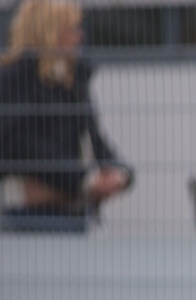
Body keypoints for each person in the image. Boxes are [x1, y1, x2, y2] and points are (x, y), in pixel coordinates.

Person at [0, 0, 132, 233]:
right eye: (72, 29)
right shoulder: (14, 80)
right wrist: (84, 180)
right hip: (27, 217)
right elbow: (21, 146)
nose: (80, 36)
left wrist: (119, 173)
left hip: (73, 212)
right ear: (49, 33)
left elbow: (94, 140)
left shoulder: (73, 81)